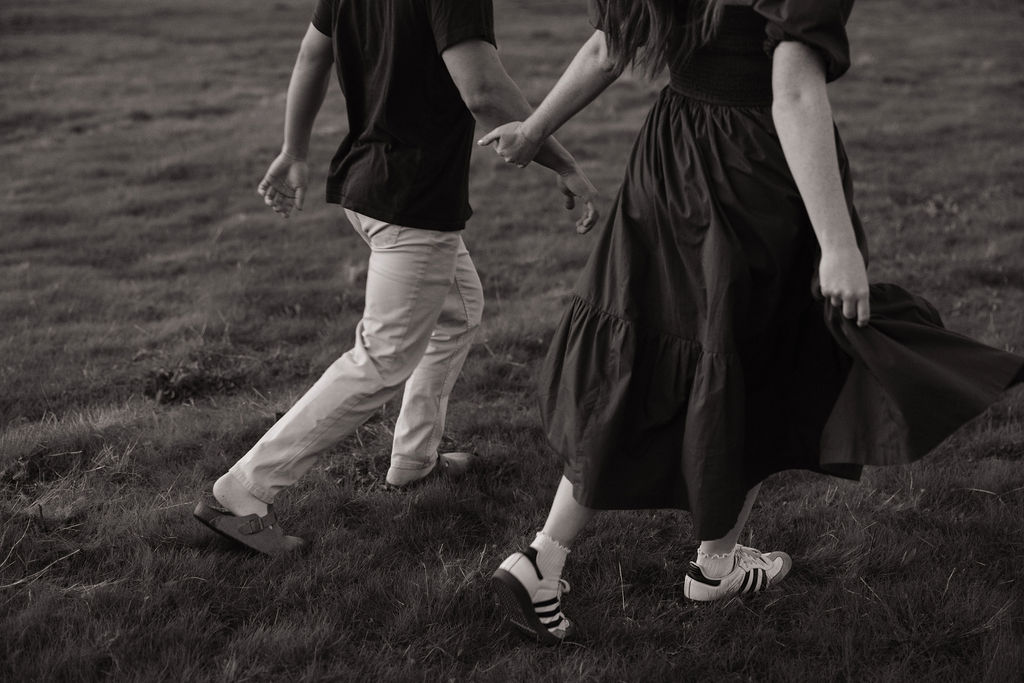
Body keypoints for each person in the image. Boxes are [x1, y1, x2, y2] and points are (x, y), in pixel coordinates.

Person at [479, 0, 1024, 644]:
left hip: (672, 154)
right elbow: (791, 89)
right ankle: (707, 565)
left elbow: (609, 45)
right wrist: (837, 242)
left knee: (655, 352)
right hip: (753, 171)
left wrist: (535, 128)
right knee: (757, 355)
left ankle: (557, 556)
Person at [193, 0, 599, 556]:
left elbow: (314, 53)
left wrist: (295, 149)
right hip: (411, 200)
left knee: (457, 312)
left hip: (370, 185)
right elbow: (482, 91)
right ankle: (241, 492)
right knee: (383, 358)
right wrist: (564, 162)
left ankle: (413, 460)